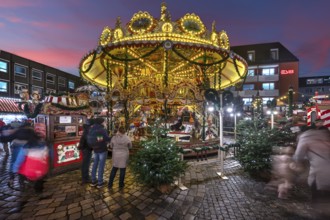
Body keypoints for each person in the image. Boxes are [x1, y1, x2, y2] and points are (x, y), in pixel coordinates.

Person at [292, 126, 330, 217]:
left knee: (318, 197)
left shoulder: (305, 138)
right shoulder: (325, 137)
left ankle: (320, 214)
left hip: (319, 174)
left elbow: (298, 156)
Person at [12, 126, 47, 193]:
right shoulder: (42, 143)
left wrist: (15, 169)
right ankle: (39, 191)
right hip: (41, 168)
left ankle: (26, 187)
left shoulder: (26, 147)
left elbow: (19, 160)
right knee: (39, 180)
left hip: (29, 169)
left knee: (26, 176)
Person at [88, 117, 111, 188]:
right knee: (101, 165)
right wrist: (111, 137)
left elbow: (97, 138)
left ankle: (93, 180)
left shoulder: (92, 129)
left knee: (95, 164)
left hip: (95, 149)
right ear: (101, 122)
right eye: (104, 122)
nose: (105, 123)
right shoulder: (101, 130)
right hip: (102, 149)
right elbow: (104, 139)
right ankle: (100, 182)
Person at [78, 118, 94, 184]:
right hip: (87, 148)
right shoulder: (88, 130)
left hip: (85, 148)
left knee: (85, 163)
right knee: (86, 164)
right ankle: (85, 178)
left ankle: (85, 176)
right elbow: (89, 141)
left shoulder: (87, 129)